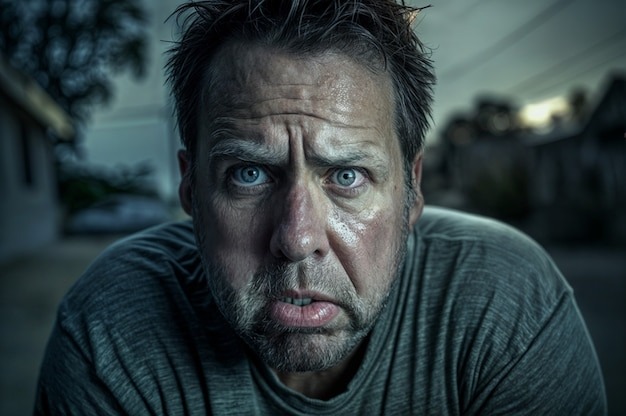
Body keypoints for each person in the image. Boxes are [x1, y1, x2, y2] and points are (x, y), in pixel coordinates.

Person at [34, 0, 607, 414]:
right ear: (191, 189)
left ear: (411, 190)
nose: (297, 238)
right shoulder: (112, 333)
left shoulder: (505, 305)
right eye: (249, 174)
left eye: (347, 176)